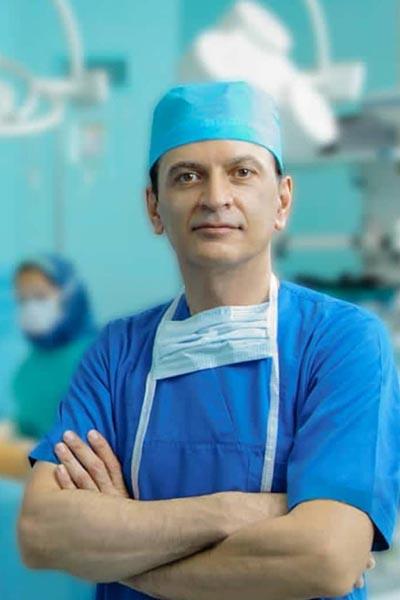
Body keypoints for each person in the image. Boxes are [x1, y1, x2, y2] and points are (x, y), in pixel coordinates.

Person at [18, 81, 400, 600]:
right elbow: (42, 532)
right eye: (187, 176)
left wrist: (122, 549)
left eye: (242, 172)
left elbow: (326, 558)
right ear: (155, 207)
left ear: (282, 199)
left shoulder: (342, 342)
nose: (216, 197)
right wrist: (236, 510)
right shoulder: (117, 353)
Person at [0, 254, 96, 478]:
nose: (31, 307)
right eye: (22, 300)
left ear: (71, 296)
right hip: (36, 479)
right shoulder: (28, 367)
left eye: (40, 296)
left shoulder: (98, 356)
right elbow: (26, 424)